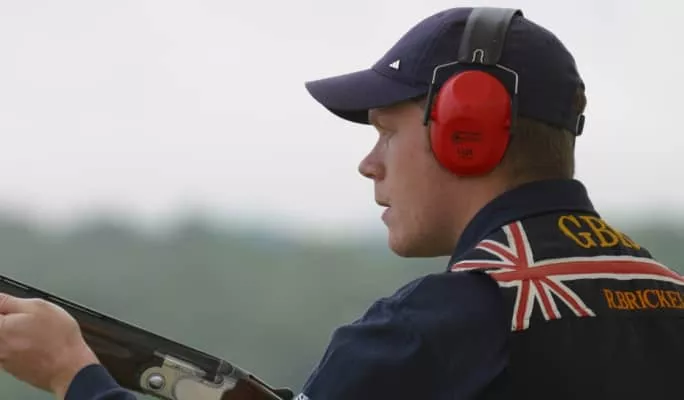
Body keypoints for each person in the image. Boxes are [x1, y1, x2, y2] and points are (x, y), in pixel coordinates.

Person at [0, 6, 682, 400]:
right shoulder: (666, 297)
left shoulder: (430, 329)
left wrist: (74, 375)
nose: (369, 162)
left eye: (387, 131)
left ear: (466, 131)